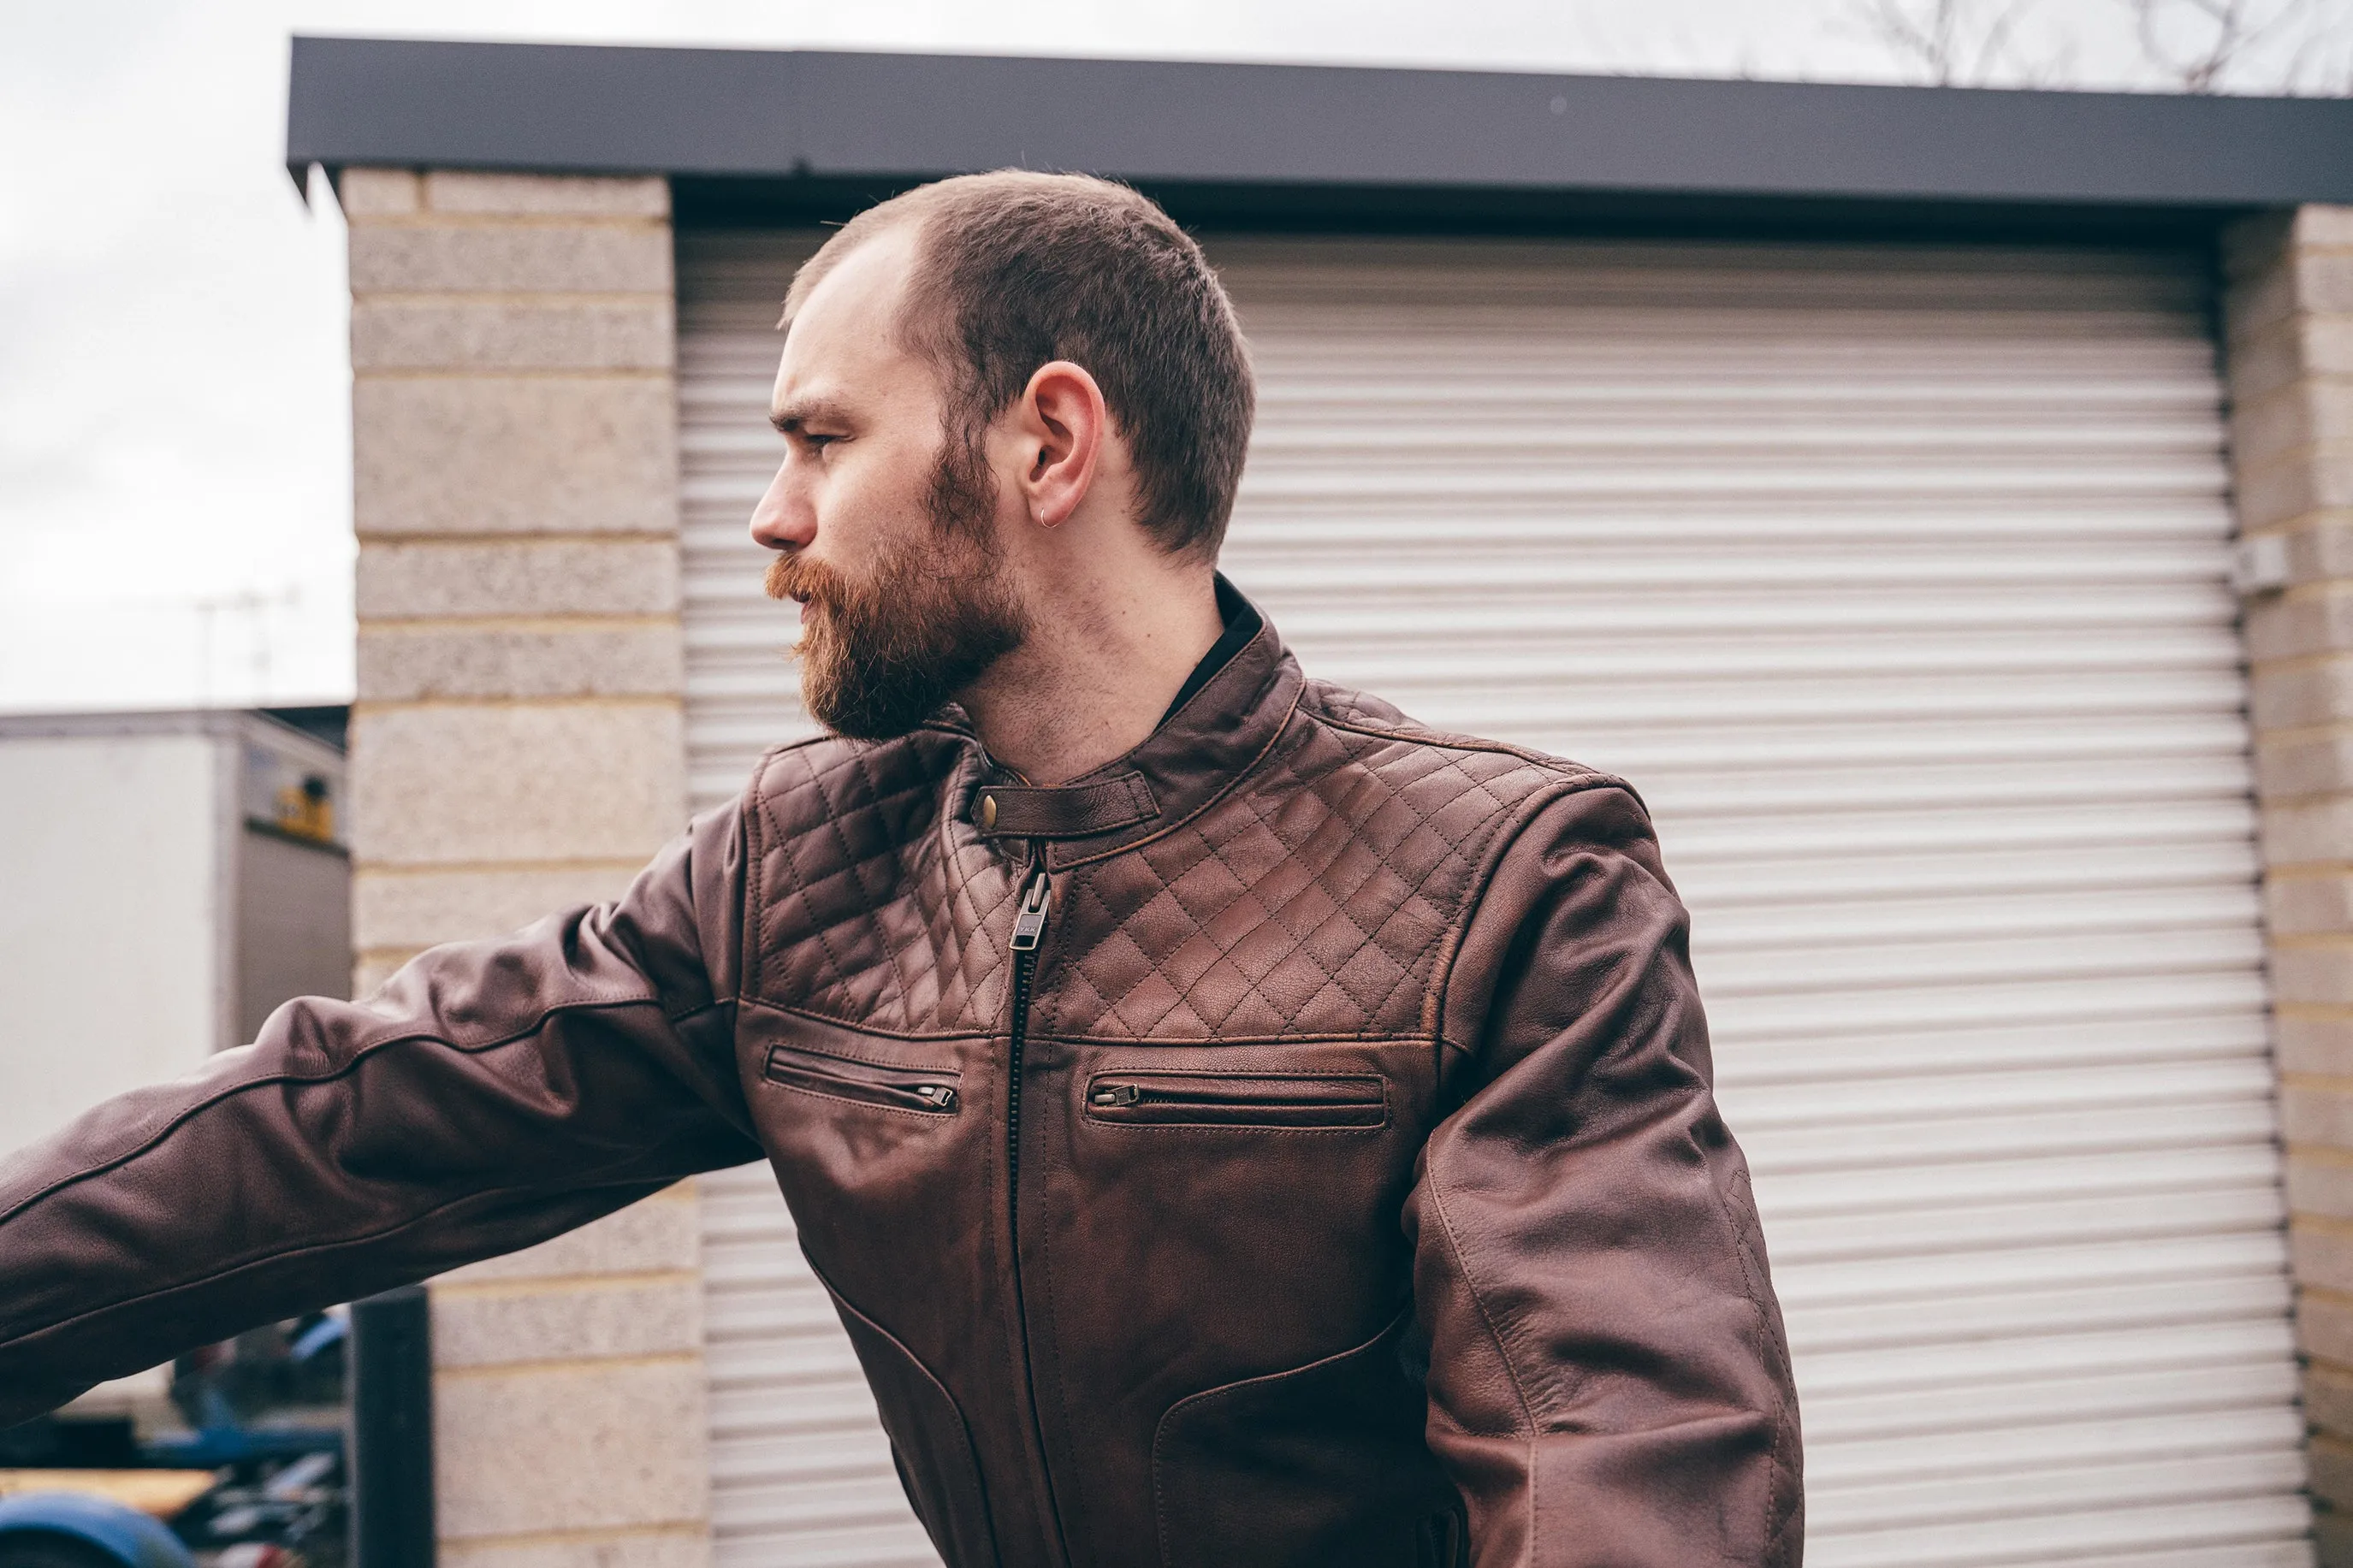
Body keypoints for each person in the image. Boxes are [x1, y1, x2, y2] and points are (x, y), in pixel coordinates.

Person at [0, 171, 1801, 1567]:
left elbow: (1616, 1453)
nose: (772, 518)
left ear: (1044, 442)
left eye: (819, 438)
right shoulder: (803, 870)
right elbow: (348, 1118)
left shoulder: (1506, 887)